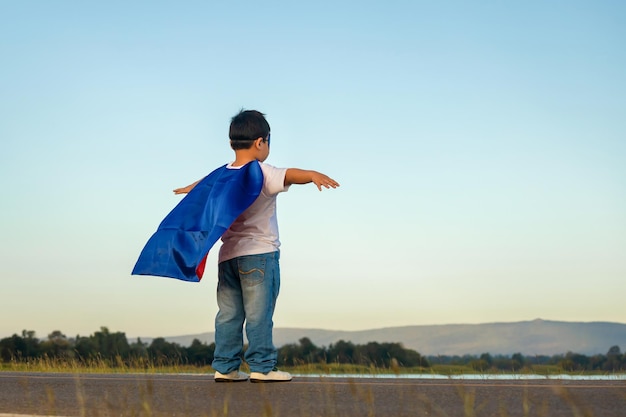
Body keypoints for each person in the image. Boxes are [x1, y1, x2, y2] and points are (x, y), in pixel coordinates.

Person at [173, 110, 339, 382]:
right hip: (259, 256)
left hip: (227, 258)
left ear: (231, 144)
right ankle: (262, 368)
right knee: (259, 315)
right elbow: (289, 175)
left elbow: (204, 185)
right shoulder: (261, 172)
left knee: (228, 315)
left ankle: (225, 368)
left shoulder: (222, 176)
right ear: (261, 142)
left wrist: (191, 188)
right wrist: (312, 174)